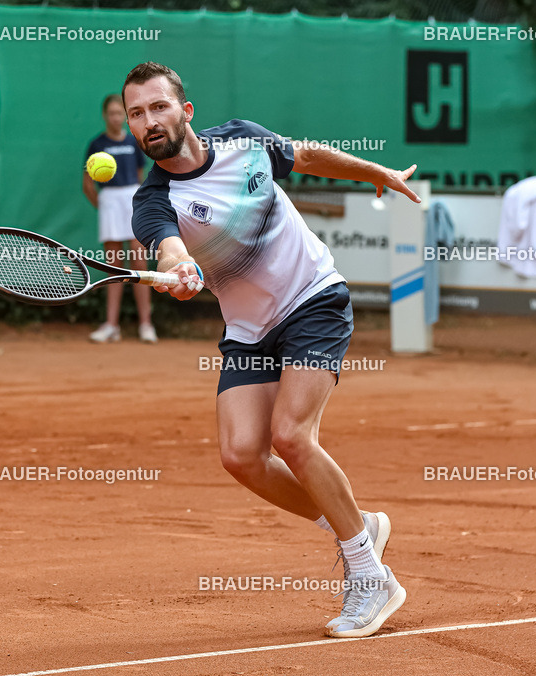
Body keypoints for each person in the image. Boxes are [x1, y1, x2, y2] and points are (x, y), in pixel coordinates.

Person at [123, 62, 422, 638]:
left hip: (312, 297)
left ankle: (368, 571)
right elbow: (167, 247)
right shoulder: (153, 200)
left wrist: (376, 172)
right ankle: (356, 526)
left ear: (185, 112)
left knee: (291, 435)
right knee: (241, 456)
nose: (148, 120)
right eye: (137, 113)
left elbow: (305, 156)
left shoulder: (242, 140)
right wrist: (180, 265)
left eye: (158, 107)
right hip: (250, 328)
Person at [83, 93, 156, 343]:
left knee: (139, 262)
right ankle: (111, 325)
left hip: (132, 200)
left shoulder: (135, 142)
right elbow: (88, 185)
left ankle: (146, 324)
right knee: (113, 268)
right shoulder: (96, 145)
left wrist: (135, 203)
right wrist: (103, 206)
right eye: (111, 113)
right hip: (109, 202)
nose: (116, 118)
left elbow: (139, 177)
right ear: (105, 116)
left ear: (124, 117)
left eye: (119, 113)